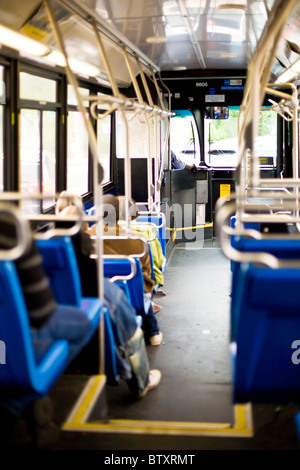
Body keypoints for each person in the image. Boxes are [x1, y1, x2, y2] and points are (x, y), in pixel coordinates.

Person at [0, 205, 96, 447]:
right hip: (12, 340)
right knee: (81, 322)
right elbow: (41, 309)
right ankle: (16, 405)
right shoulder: (10, 224)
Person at [55, 194, 162, 393]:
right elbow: (149, 275)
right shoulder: (138, 241)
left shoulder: (44, 266)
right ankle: (141, 379)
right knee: (124, 316)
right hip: (126, 299)